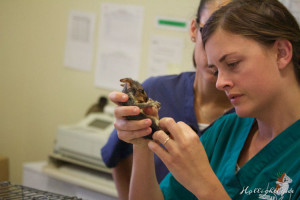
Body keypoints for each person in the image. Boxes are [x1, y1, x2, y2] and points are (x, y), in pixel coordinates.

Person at [111, 0, 300, 199]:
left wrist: (205, 185)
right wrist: (142, 141)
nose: (220, 83)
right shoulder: (227, 131)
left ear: (281, 53)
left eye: (233, 63)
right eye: (216, 70)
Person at [101, 0, 233, 199]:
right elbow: (117, 157)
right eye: (209, 31)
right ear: (193, 29)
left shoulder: (250, 115)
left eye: (232, 36)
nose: (217, 50)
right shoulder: (156, 91)